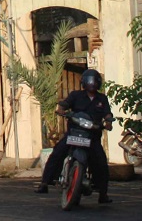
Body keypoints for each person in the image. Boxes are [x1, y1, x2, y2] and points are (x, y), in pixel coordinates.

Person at [35, 68, 113, 204]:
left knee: (101, 161)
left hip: (92, 136)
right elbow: (64, 104)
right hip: (74, 133)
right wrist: (61, 109)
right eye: (89, 81)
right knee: (57, 153)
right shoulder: (76, 95)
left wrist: (108, 121)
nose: (92, 84)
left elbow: (107, 113)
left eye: (94, 81)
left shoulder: (102, 98)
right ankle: (44, 183)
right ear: (83, 82)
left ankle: (103, 193)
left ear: (99, 83)